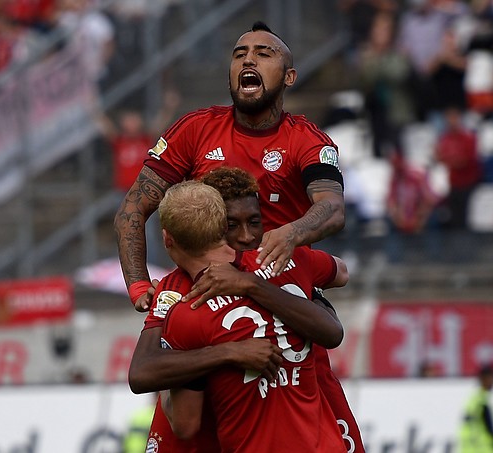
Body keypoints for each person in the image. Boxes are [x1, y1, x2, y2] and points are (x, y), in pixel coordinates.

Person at [114, 20, 346, 312]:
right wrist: (138, 285)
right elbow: (131, 209)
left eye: (263, 53)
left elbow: (333, 209)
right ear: (230, 78)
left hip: (280, 294)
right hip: (205, 298)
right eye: (239, 55)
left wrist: (292, 233)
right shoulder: (195, 129)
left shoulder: (307, 140)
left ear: (289, 77)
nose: (248, 59)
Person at [128, 168, 363, 451]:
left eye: (254, 222)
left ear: (167, 239)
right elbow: (340, 275)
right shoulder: (285, 256)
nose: (247, 235)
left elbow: (183, 422)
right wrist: (309, 294)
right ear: (221, 227)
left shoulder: (183, 304)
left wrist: (211, 356)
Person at [458, 363, 493, 453]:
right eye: (492, 378)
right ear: (484, 379)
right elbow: (489, 429)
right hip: (481, 448)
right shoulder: (482, 402)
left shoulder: (473, 400)